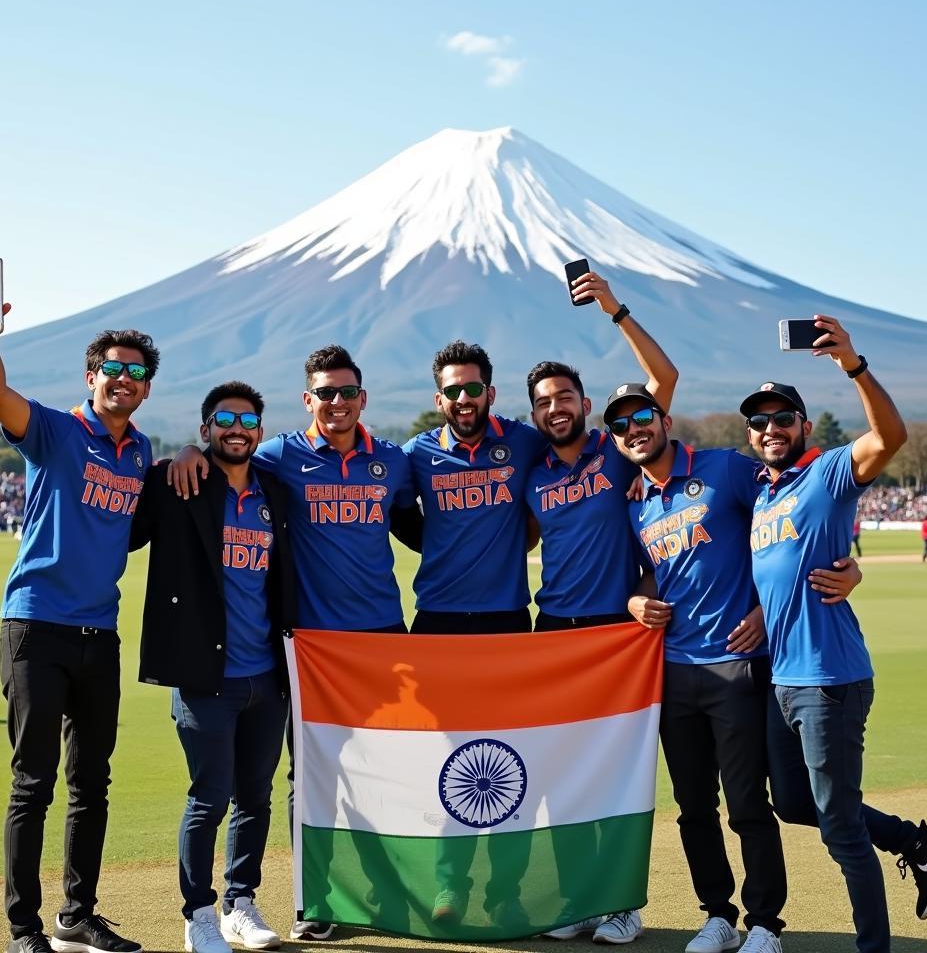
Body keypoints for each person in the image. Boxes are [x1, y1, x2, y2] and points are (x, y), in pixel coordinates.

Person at [168, 345, 417, 941]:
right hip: (309, 652)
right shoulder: (280, 457)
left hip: (384, 642)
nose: (337, 403)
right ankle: (317, 903)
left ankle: (385, 892)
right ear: (307, 400)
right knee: (307, 780)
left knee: (389, 775)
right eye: (325, 393)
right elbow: (225, 454)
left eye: (347, 392)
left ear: (363, 398)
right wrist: (186, 450)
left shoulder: (393, 460)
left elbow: (427, 521)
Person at [608, 382, 860, 953]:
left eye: (642, 416)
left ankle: (765, 923)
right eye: (621, 426)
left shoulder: (726, 467)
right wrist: (633, 601)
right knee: (694, 806)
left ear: (664, 419)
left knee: (748, 801)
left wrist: (842, 572)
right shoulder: (634, 501)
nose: (633, 430)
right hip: (673, 670)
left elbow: (797, 516)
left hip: (738, 666)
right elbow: (651, 572)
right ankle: (717, 915)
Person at [743, 314, 927, 953]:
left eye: (783, 419)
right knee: (795, 805)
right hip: (782, 680)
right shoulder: (763, 495)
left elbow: (889, 436)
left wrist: (853, 366)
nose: (770, 429)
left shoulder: (828, 472)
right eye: (759, 422)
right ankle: (917, 841)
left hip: (828, 678)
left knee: (838, 823)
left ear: (804, 427)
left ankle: (874, 948)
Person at [0, 269, 155, 953]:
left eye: (134, 373)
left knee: (92, 784)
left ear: (146, 388)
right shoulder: (52, 430)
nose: (122, 379)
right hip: (35, 627)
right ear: (90, 375)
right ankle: (24, 928)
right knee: (32, 781)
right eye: (111, 368)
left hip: (98, 634)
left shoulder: (140, 452)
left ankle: (78, 916)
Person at [523, 272, 678, 946]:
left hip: (617, 635)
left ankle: (620, 903)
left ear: (585, 402)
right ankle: (577, 899)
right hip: (551, 632)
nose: (555, 408)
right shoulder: (532, 472)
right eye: (544, 402)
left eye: (564, 397)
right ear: (532, 415)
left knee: (614, 774)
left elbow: (662, 382)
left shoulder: (615, 453)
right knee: (559, 773)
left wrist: (614, 310)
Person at [129, 382, 296, 953]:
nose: (236, 428)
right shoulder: (183, 483)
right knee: (209, 796)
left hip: (267, 677)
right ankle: (198, 912)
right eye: (223, 419)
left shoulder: (274, 490)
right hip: (206, 679)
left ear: (260, 431)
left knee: (257, 796)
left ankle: (240, 904)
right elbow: (126, 532)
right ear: (205, 430)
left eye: (247, 420)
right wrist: (177, 455)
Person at [403, 338, 547, 934]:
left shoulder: (524, 440)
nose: (463, 399)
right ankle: (448, 885)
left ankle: (506, 893)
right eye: (452, 391)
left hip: (508, 623)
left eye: (473, 388)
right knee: (451, 763)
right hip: (436, 624)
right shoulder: (414, 454)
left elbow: (587, 457)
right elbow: (384, 509)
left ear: (491, 391)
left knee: (508, 763)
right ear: (439, 397)